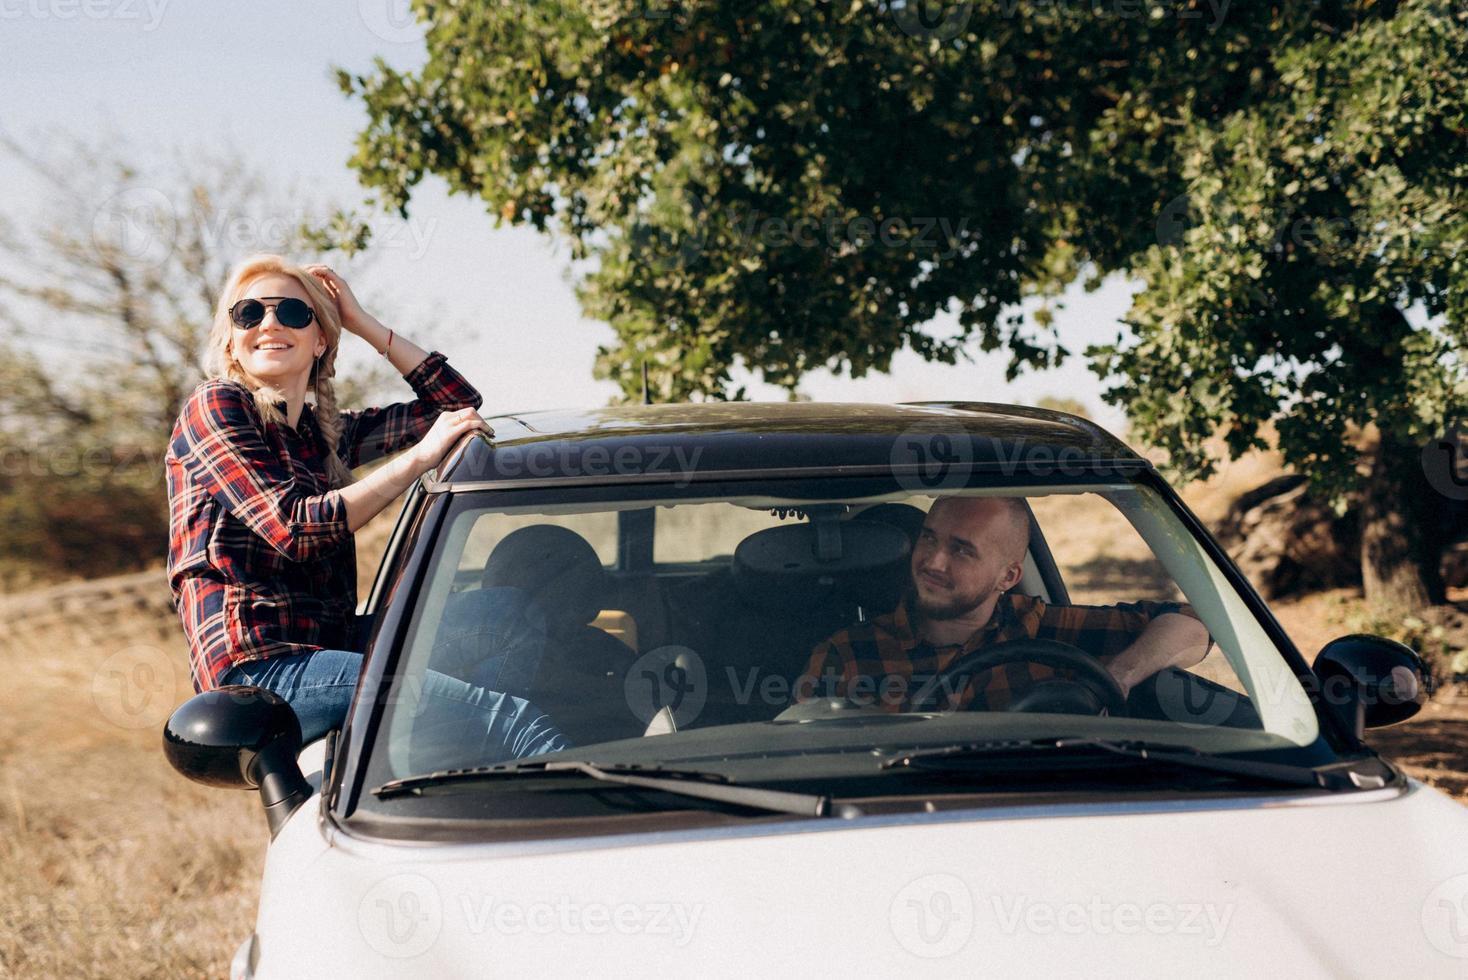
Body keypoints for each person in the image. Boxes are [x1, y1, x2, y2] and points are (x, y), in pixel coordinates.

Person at [164, 253, 567, 760]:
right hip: (263, 670)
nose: (269, 323)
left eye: (292, 312)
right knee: (511, 719)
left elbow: (456, 403)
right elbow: (293, 528)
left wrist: (360, 322)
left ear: (321, 339)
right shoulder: (216, 406)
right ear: (230, 337)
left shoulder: (322, 433)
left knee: (509, 612)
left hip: (336, 645)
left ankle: (450, 752)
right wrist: (419, 460)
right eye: (249, 313)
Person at [794, 496, 1212, 712]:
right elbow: (801, 758)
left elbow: (1197, 625)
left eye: (961, 550)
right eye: (929, 538)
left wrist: (1118, 675)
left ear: (1009, 577)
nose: (932, 562)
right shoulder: (846, 654)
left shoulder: (1050, 629)